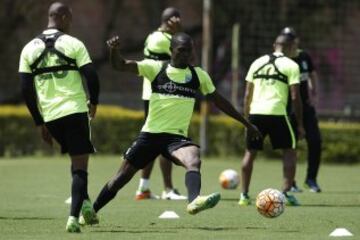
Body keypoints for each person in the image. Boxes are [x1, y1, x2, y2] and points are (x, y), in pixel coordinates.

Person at [88, 32, 261, 219]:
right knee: (120, 179)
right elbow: (120, 65)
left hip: (176, 139)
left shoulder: (198, 75)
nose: (186, 54)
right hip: (150, 136)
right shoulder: (156, 68)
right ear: (171, 51)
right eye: (181, 50)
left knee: (194, 159)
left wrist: (247, 124)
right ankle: (91, 211)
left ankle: (193, 201)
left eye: (189, 51)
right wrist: (114, 50)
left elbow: (220, 102)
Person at [19, 2, 99, 233]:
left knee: (75, 162)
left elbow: (25, 89)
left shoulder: (28, 49)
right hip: (74, 111)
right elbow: (91, 76)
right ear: (62, 17)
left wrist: (39, 121)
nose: (72, 21)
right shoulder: (74, 43)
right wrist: (94, 102)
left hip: (51, 116)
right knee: (80, 167)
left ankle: (85, 205)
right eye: (70, 17)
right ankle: (73, 218)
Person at [238, 34, 305, 207]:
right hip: (277, 113)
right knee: (289, 151)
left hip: (255, 112)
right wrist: (300, 124)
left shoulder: (256, 62)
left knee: (250, 152)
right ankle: (285, 194)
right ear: (290, 47)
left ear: (274, 45)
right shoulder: (292, 65)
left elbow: (247, 95)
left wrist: (247, 121)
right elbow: (296, 97)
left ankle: (244, 195)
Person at [136, 7, 186, 201]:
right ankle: (167, 189)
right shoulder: (162, 39)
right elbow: (188, 60)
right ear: (171, 20)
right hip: (159, 94)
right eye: (178, 20)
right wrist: (180, 34)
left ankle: (144, 188)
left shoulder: (151, 36)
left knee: (153, 142)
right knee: (165, 140)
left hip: (153, 94)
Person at [281, 27, 322, 193]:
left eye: (291, 39)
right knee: (291, 146)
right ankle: (291, 182)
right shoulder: (282, 61)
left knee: (316, 142)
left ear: (295, 41)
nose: (290, 42)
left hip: (306, 107)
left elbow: (312, 74)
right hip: (288, 109)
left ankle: (311, 179)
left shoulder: (304, 56)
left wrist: (314, 92)